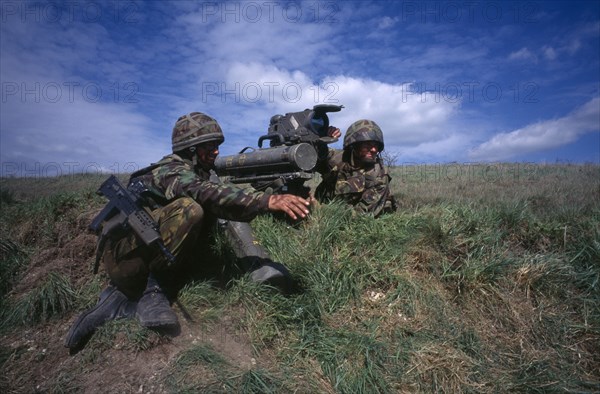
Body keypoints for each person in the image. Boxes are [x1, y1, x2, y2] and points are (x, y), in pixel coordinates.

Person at [65, 112, 312, 350]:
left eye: (217, 145)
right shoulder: (170, 171)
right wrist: (263, 202)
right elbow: (205, 193)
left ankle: (126, 299)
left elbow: (220, 198)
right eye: (209, 146)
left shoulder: (195, 173)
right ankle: (151, 292)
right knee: (190, 210)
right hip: (125, 261)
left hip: (144, 254)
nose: (216, 151)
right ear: (191, 150)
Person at [315, 119, 397, 217]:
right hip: (327, 208)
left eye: (376, 146)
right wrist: (322, 136)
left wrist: (321, 210)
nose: (374, 149)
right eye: (367, 145)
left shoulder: (379, 175)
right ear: (353, 145)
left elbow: (361, 215)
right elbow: (306, 155)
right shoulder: (335, 159)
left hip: (354, 218)